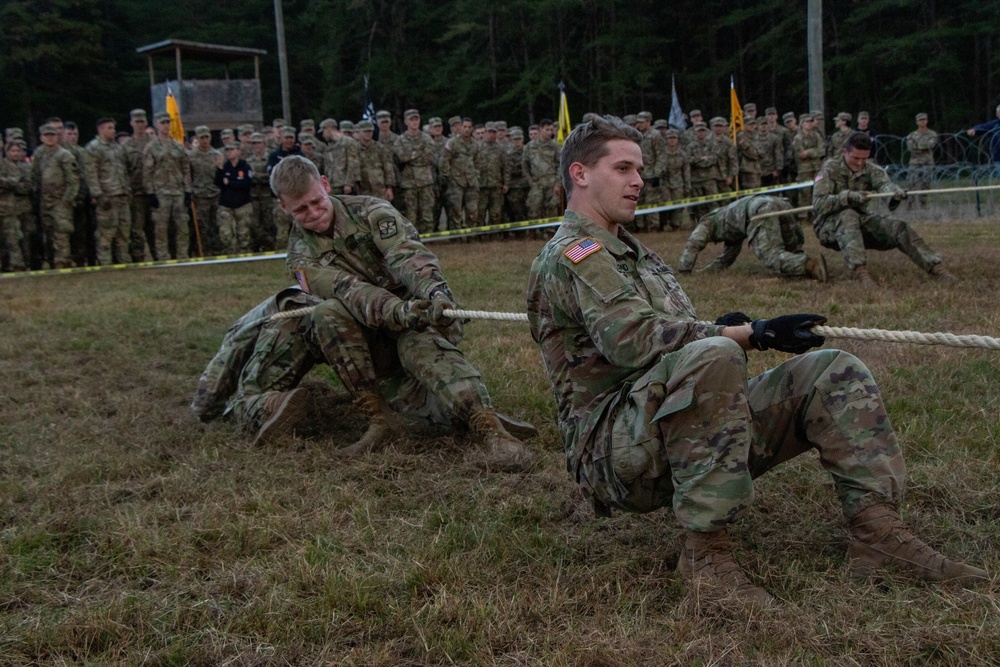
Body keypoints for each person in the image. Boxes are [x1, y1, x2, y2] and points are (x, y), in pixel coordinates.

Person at [525, 115, 986, 605]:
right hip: (614, 455)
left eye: (639, 169)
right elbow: (633, 340)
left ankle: (877, 534)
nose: (638, 181)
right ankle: (705, 559)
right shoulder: (575, 253)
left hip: (667, 426)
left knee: (832, 370)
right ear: (580, 174)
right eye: (622, 168)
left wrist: (718, 331)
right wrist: (745, 335)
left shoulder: (630, 250)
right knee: (718, 354)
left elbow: (672, 341)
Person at [269, 155, 537, 468]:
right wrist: (399, 310)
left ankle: (489, 428)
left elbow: (407, 256)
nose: (314, 213)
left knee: (418, 348)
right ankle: (381, 420)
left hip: (417, 322)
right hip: (368, 340)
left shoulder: (371, 211)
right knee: (324, 314)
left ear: (325, 184)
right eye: (301, 209)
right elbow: (351, 291)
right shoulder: (300, 259)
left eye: (317, 201)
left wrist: (435, 293)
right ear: (284, 207)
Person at [813, 132, 956, 287]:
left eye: (864, 158)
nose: (860, 163)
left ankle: (935, 268)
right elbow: (819, 204)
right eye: (855, 158)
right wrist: (847, 197)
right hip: (829, 227)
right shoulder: (829, 170)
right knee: (848, 214)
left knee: (898, 227)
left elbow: (884, 185)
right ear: (845, 152)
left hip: (860, 222)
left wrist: (894, 193)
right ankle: (861, 273)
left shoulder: (871, 170)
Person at [677, 194, 827, 280]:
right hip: (778, 202)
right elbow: (726, 259)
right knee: (792, 248)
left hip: (759, 210)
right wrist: (704, 273)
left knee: (770, 255)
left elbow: (693, 244)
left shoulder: (708, 221)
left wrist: (684, 270)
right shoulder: (730, 227)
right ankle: (803, 269)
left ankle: (810, 265)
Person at [143, 112, 192, 260]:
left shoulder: (178, 146)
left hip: (178, 192)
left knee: (182, 226)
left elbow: (185, 168)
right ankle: (163, 256)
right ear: (157, 125)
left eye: (167, 123)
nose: (165, 126)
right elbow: (147, 172)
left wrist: (188, 190)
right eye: (162, 123)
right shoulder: (151, 147)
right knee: (161, 228)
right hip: (161, 193)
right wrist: (150, 193)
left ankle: (182, 255)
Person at [84, 117, 132, 265]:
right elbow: (91, 174)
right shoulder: (94, 148)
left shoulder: (117, 147)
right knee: (106, 232)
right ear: (100, 130)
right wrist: (98, 195)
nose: (113, 131)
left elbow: (124, 170)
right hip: (107, 196)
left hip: (121, 195)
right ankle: (105, 262)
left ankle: (122, 259)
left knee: (123, 231)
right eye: (109, 128)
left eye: (113, 128)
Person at [31, 123, 80, 268]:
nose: (50, 138)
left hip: (60, 200)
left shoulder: (64, 155)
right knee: (49, 231)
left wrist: (67, 199)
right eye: (47, 136)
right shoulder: (40, 154)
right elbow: (35, 176)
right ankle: (53, 260)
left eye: (52, 135)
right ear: (41, 138)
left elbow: (73, 180)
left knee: (62, 231)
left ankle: (62, 261)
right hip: (45, 200)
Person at [214, 143, 255, 253]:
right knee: (226, 234)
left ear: (238, 151)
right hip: (226, 205)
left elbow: (246, 184)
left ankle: (245, 253)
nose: (229, 152)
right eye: (227, 150)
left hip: (242, 204)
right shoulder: (224, 166)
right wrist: (220, 169)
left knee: (244, 233)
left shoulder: (245, 166)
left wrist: (230, 183)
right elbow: (218, 182)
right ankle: (230, 253)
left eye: (231, 149)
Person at [906, 113, 937, 207]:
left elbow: (930, 145)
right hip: (914, 162)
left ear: (927, 121)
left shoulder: (932, 134)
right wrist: (922, 145)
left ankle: (923, 203)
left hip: (927, 162)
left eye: (924, 120)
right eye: (920, 120)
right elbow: (909, 147)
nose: (922, 122)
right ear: (917, 122)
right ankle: (910, 203)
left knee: (925, 183)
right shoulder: (911, 135)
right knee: (911, 183)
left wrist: (918, 145)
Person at [965, 103, 1000, 171]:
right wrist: (974, 130)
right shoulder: (994, 124)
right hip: (998, 157)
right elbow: (982, 127)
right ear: (997, 114)